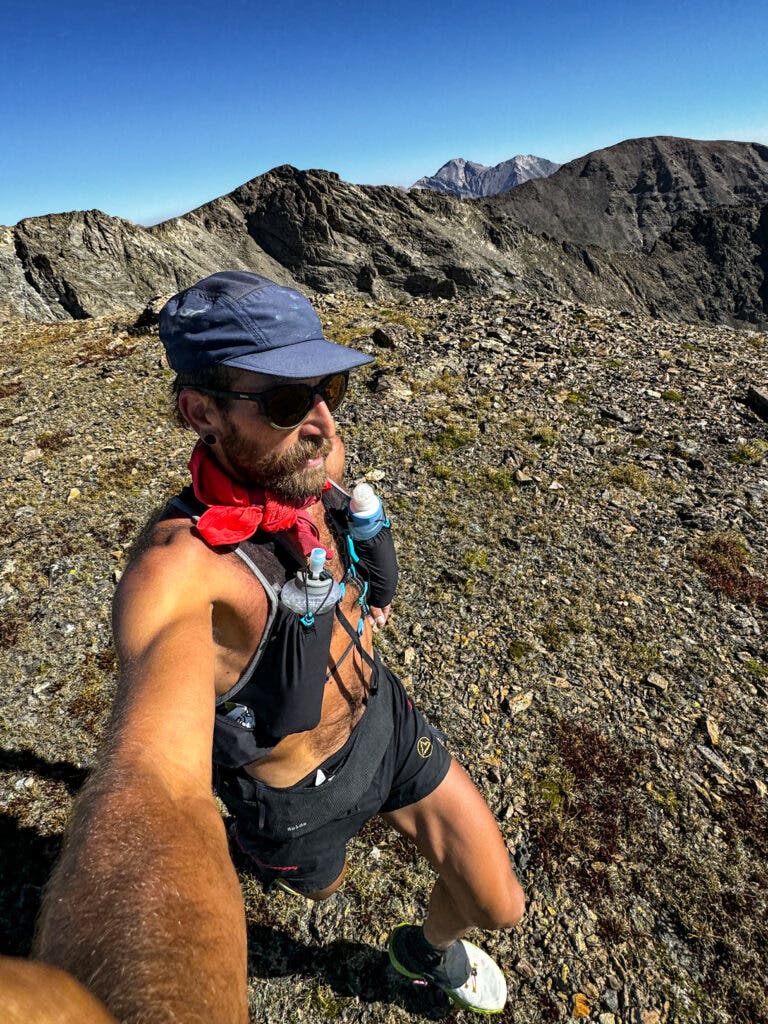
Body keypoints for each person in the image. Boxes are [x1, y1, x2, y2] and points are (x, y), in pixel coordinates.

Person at [34, 271, 524, 1021]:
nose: (325, 426)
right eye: (290, 401)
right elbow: (154, 788)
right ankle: (272, 859)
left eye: (329, 389)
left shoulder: (305, 466)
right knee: (323, 888)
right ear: (201, 411)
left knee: (501, 904)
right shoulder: (181, 569)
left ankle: (421, 951)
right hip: (297, 800)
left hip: (387, 726)